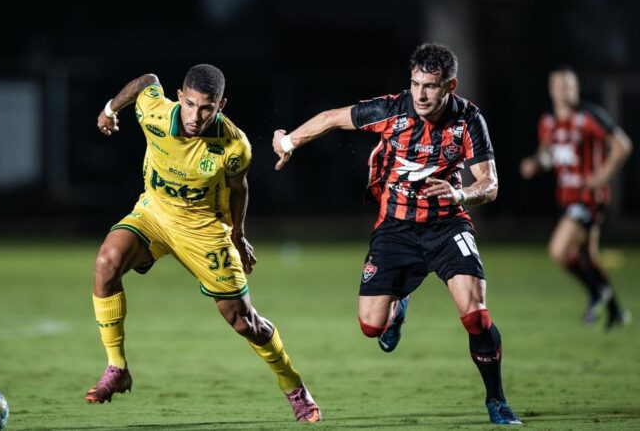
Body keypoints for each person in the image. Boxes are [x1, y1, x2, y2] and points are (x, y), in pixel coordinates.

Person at [272, 43, 522, 425]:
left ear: (450, 86)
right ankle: (399, 305)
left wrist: (460, 194)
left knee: (475, 314)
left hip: (447, 226)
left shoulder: (469, 120)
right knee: (371, 326)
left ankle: (496, 401)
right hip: (396, 229)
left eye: (431, 86)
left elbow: (490, 185)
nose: (420, 94)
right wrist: (289, 142)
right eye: (415, 83)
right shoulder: (392, 109)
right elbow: (331, 118)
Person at [87, 64, 321, 422]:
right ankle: (117, 368)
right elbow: (147, 81)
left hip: (204, 231)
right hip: (154, 214)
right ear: (180, 97)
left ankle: (293, 385)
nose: (196, 115)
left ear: (221, 105)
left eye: (207, 107)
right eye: (191, 104)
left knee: (245, 323)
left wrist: (239, 237)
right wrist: (108, 110)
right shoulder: (156, 112)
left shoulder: (233, 145)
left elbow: (239, 189)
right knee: (106, 263)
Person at [520, 67, 633, 329]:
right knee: (589, 258)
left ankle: (597, 293)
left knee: (559, 250)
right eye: (559, 85)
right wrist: (534, 164)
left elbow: (622, 146)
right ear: (551, 90)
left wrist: (601, 176)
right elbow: (549, 155)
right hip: (566, 197)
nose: (564, 90)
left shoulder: (590, 116)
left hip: (589, 197)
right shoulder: (547, 121)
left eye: (569, 85)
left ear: (577, 89)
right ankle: (615, 312)